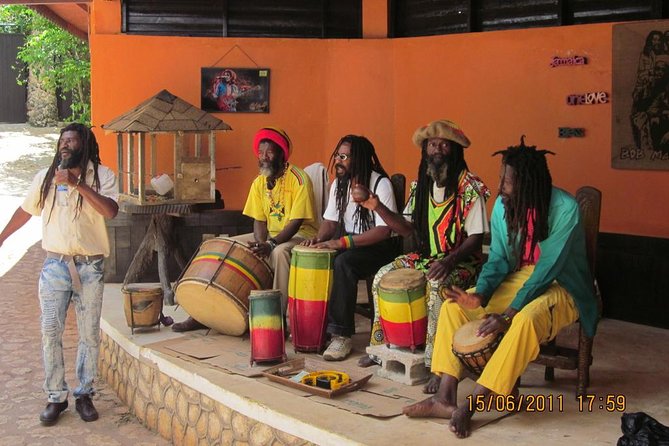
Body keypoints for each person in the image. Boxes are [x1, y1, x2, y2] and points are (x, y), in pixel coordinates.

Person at [402, 138, 598, 439]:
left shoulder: (565, 209)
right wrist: (479, 294)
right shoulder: (503, 209)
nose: (501, 188)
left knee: (525, 319)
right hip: (520, 279)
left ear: (528, 184)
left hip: (563, 284)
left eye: (507, 182)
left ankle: (474, 403)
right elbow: (498, 259)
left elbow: (546, 272)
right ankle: (445, 395)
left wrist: (507, 314)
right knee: (454, 308)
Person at [357, 120, 490, 394]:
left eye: (444, 144)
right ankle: (380, 348)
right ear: (425, 150)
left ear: (455, 150)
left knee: (436, 288)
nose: (437, 149)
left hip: (464, 263)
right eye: (432, 144)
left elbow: (477, 237)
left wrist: (450, 260)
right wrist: (377, 206)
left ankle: (436, 366)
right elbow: (407, 228)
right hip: (427, 257)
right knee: (381, 276)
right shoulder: (422, 186)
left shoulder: (470, 186)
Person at [0, 123, 119, 425]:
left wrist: (78, 184)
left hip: (90, 267)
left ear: (85, 145)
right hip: (55, 265)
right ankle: (55, 396)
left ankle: (84, 393)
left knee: (89, 334)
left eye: (72, 141)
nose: (65, 146)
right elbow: (26, 210)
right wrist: (2, 237)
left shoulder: (102, 176)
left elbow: (110, 212)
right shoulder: (45, 178)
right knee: (50, 332)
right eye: (62, 141)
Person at [173, 127, 318, 331]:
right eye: (260, 152)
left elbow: (296, 222)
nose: (264, 157)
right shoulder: (259, 182)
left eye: (269, 152)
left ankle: (274, 319)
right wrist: (260, 243)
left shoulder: (299, 179)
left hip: (301, 234)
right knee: (223, 246)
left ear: (281, 154)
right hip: (270, 235)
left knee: (279, 253)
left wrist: (270, 244)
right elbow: (259, 220)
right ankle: (199, 313)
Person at [304, 135, 398, 361]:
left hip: (379, 246)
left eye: (344, 156)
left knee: (343, 262)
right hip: (350, 241)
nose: (339, 160)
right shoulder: (339, 184)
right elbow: (331, 222)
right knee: (316, 258)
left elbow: (383, 231)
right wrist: (317, 240)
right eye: (337, 155)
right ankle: (315, 327)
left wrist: (342, 242)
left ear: (359, 160)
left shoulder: (379, 184)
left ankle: (341, 335)